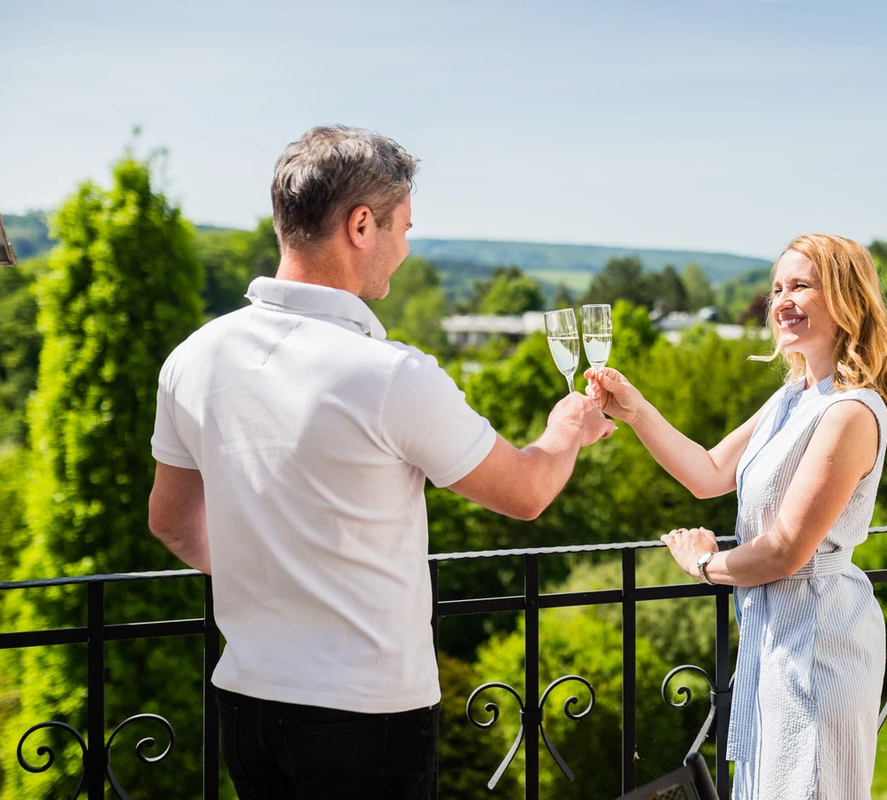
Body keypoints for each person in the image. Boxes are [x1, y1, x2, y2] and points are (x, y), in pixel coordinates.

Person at [147, 125, 613, 800]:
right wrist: (567, 428)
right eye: (404, 228)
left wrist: (276, 572)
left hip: (245, 703)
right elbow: (526, 491)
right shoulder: (390, 374)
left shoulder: (193, 357)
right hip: (365, 717)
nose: (406, 249)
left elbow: (171, 522)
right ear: (361, 225)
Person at [587, 233, 887, 800]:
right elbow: (708, 473)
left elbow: (784, 551)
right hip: (773, 640)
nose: (782, 300)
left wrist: (706, 564)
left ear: (846, 298)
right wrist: (635, 410)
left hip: (820, 644)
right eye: (777, 288)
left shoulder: (849, 411)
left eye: (800, 285)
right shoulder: (794, 397)